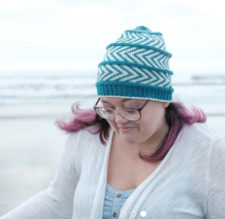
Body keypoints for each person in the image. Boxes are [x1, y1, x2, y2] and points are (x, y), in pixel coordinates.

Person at [1, 26, 225, 219]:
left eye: (130, 108)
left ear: (164, 99)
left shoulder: (208, 150)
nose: (118, 120)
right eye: (108, 107)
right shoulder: (86, 137)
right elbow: (58, 202)